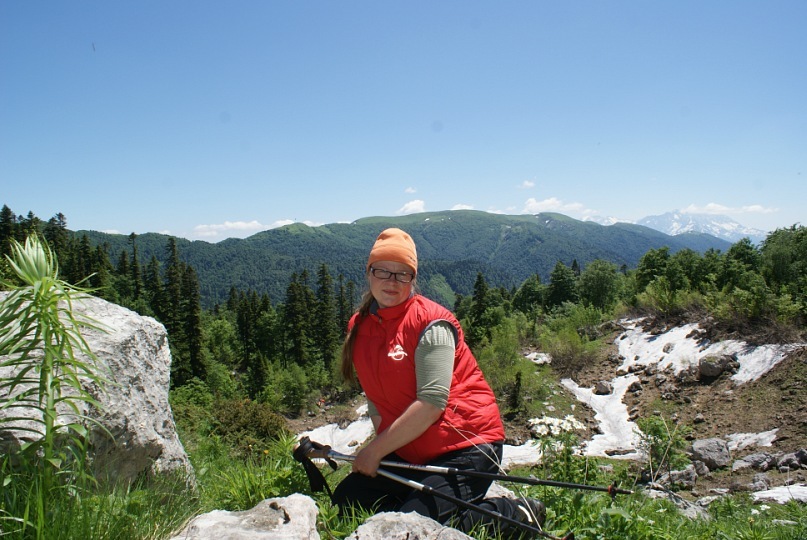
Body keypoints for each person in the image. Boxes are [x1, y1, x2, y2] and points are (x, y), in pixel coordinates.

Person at [332, 227, 545, 538]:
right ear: (369, 273)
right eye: (383, 271)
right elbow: (375, 396)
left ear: (413, 279)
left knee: (412, 529)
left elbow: (432, 403)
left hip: (467, 446)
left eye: (402, 274)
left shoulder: (432, 324)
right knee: (347, 501)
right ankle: (432, 502)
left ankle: (517, 514)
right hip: (411, 449)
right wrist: (387, 449)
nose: (392, 281)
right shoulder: (359, 326)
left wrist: (375, 451)